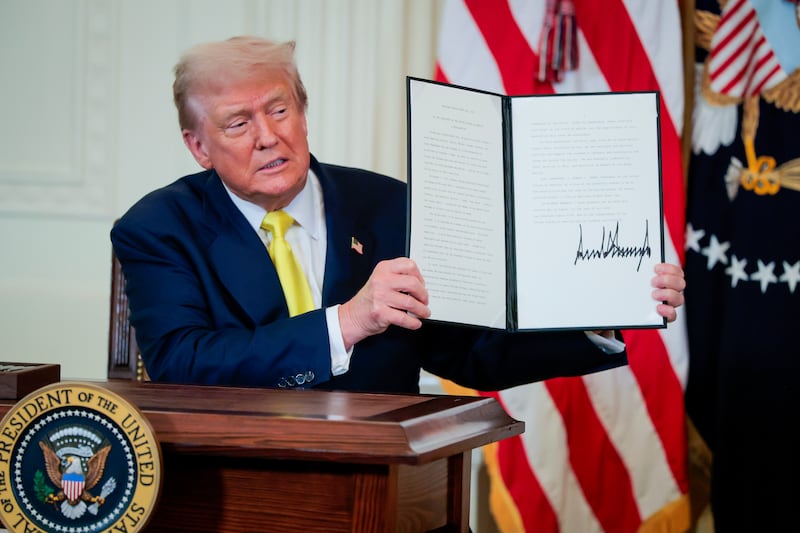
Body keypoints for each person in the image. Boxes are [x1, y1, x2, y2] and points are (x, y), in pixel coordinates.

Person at [111, 36, 685, 393]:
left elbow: (469, 352)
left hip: (383, 480)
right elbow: (182, 364)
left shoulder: (393, 206)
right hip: (238, 488)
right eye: (239, 123)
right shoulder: (160, 228)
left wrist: (602, 311)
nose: (268, 137)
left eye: (280, 109)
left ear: (303, 113)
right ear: (198, 147)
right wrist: (347, 322)